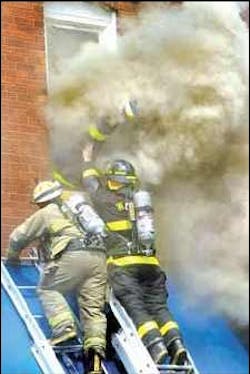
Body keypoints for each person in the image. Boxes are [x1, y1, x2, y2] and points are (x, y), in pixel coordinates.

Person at [81, 151, 188, 366]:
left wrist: (87, 160)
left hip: (123, 264)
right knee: (159, 307)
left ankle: (155, 346)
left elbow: (91, 183)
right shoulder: (140, 203)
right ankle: (176, 345)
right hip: (150, 264)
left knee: (136, 306)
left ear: (111, 179)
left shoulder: (104, 199)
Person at [6, 180, 107, 373]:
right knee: (93, 312)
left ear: (41, 202)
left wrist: (12, 258)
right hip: (99, 258)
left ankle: (64, 330)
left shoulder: (46, 212)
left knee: (47, 288)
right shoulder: (77, 210)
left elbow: (17, 237)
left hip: (74, 256)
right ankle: (94, 365)